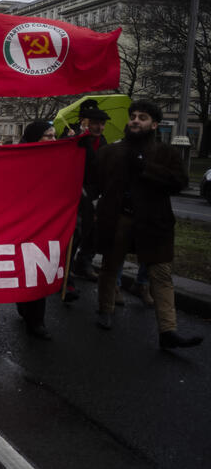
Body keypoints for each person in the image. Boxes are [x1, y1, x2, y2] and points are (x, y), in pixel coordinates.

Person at [94, 100, 202, 349]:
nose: (135, 120)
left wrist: (146, 167)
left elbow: (179, 182)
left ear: (154, 125)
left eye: (142, 117)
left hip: (154, 222)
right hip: (119, 218)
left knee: (161, 274)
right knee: (110, 266)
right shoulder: (111, 152)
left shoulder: (166, 154)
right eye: (133, 116)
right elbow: (95, 181)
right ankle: (105, 310)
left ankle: (168, 331)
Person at [14, 120, 59, 339]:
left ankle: (37, 320)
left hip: (46, 222)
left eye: (54, 136)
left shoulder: (59, 159)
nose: (53, 140)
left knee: (41, 268)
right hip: (23, 222)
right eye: (48, 136)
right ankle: (24, 302)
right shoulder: (19, 159)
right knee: (25, 267)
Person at [72, 99, 109, 281]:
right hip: (76, 192)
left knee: (93, 231)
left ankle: (84, 262)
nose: (99, 127)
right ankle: (67, 266)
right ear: (85, 122)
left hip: (95, 194)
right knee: (76, 231)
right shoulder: (75, 138)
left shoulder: (103, 142)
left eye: (102, 124)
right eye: (95, 123)